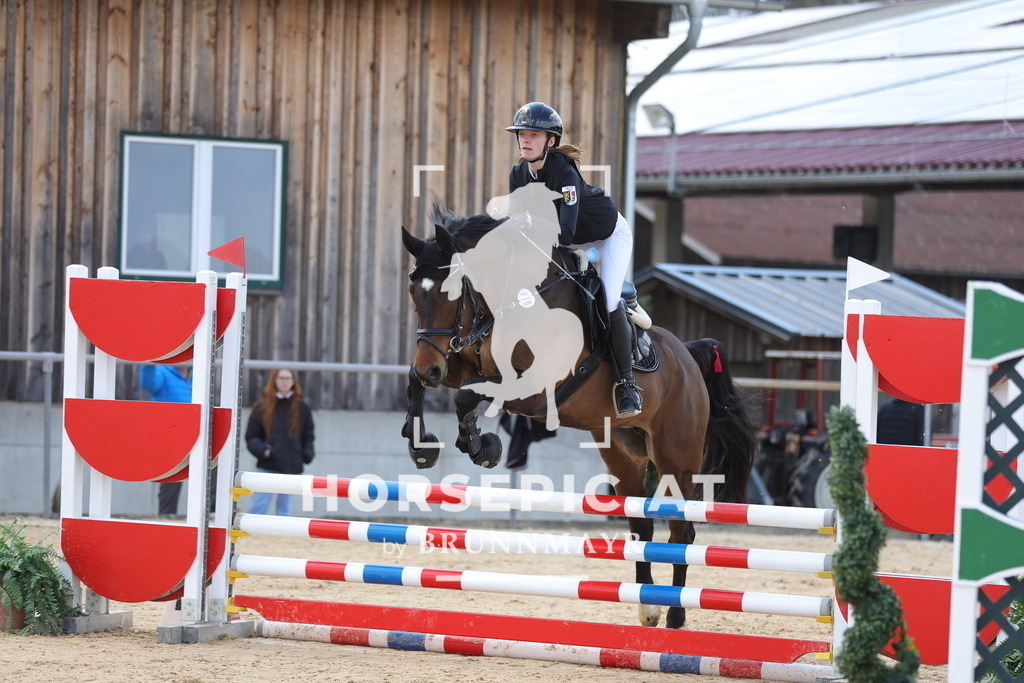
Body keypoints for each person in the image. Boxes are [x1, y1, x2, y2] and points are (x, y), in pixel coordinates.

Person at [506, 101, 641, 418]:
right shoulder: (518, 175)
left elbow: (564, 232)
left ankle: (628, 386)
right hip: (571, 241)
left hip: (608, 237)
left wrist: (526, 224)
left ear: (550, 141)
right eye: (522, 134)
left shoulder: (564, 172)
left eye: (535, 135)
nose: (526, 140)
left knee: (607, 301)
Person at [245, 369, 315, 516]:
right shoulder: (262, 407)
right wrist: (265, 452)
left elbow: (308, 435)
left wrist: (306, 454)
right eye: (281, 378)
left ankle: (280, 539)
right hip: (268, 465)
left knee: (285, 512)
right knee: (258, 507)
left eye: (288, 378)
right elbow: (251, 437)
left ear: (293, 382)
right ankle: (252, 538)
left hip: (292, 468)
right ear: (274, 381)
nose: (285, 382)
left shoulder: (303, 408)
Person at [139, 363, 192, 516]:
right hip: (169, 437)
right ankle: (166, 517)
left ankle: (212, 510)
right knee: (172, 479)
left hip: (191, 433)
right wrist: (149, 363)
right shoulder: (162, 372)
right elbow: (149, 383)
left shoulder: (194, 375)